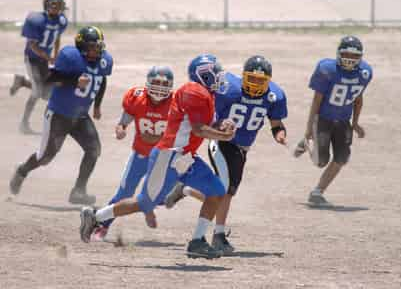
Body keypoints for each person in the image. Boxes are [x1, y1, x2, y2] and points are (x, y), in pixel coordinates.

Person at [79, 54, 236, 259]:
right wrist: (223, 135)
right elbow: (198, 129)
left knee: (216, 191)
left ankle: (197, 241)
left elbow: (201, 123)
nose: (219, 76)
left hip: (185, 157)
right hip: (168, 155)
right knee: (145, 203)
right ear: (203, 75)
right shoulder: (193, 91)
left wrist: (222, 125)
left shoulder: (207, 94)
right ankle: (96, 216)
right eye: (215, 72)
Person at [164, 55, 288, 255]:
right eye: (252, 78)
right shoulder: (228, 88)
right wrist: (220, 126)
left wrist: (280, 135)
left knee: (224, 192)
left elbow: (276, 124)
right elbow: (209, 114)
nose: (255, 84)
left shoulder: (275, 95)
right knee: (225, 190)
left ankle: (186, 190)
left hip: (242, 148)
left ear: (269, 80)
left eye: (260, 80)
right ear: (243, 76)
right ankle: (218, 236)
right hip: (222, 142)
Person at [9, 26, 113, 205]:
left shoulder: (103, 62)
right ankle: (22, 171)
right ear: (81, 46)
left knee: (94, 149)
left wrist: (97, 105)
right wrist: (74, 82)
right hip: (59, 115)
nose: (96, 51)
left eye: (98, 47)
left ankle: (78, 191)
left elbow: (101, 79)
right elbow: (49, 79)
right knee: (45, 157)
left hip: (80, 116)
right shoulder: (71, 58)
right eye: (91, 47)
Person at [92, 66, 174, 241]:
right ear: (148, 83)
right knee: (124, 194)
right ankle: (102, 225)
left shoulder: (175, 104)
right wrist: (120, 130)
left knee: (165, 197)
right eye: (156, 83)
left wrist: (154, 138)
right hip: (141, 156)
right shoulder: (137, 98)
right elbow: (123, 122)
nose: (159, 87)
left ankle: (147, 207)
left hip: (162, 158)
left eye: (164, 84)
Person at [293, 35, 373, 205]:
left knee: (342, 158)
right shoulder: (327, 69)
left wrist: (355, 122)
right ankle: (305, 143)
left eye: (354, 56)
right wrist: (309, 129)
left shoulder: (365, 72)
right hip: (323, 119)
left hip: (343, 120)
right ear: (338, 53)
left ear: (361, 56)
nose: (350, 59)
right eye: (346, 54)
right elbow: (317, 99)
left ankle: (318, 192)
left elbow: (358, 98)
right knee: (321, 161)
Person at [10, 0, 68, 134]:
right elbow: (32, 45)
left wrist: (55, 55)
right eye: (53, 4)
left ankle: (22, 82)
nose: (55, 7)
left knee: (46, 94)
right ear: (46, 5)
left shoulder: (61, 21)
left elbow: (57, 37)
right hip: (32, 59)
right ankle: (24, 124)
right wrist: (48, 58)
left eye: (58, 4)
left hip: (43, 61)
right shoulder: (38, 20)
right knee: (37, 92)